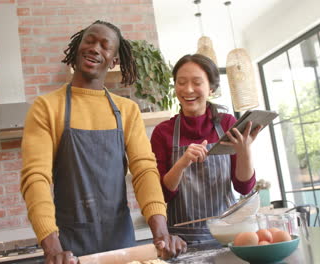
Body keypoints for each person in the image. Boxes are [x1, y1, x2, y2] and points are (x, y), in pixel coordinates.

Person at [20, 20, 186, 264]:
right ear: (78, 46)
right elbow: (36, 178)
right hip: (68, 249)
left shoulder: (127, 110)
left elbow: (144, 171)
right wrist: (51, 245)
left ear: (114, 60)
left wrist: (160, 232)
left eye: (105, 45)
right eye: (90, 40)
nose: (95, 48)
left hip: (122, 245)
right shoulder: (46, 107)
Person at [150, 54, 260, 242]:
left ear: (211, 88)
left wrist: (244, 151)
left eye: (197, 82)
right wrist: (182, 163)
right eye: (181, 82)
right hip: (181, 240)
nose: (188, 89)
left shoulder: (228, 124)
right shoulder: (163, 132)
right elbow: (162, 195)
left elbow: (244, 187)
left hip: (228, 235)